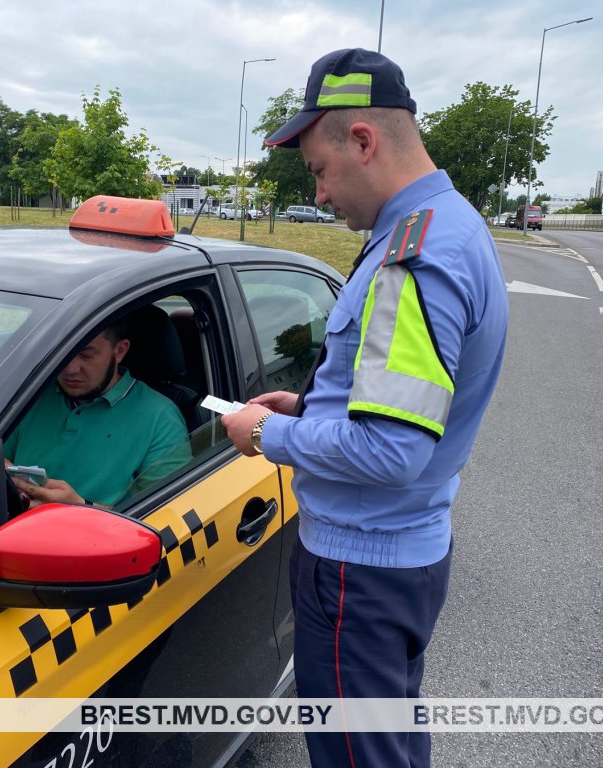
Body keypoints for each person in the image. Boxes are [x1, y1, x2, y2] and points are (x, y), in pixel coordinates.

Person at [222, 48, 508, 767]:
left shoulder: (412, 262)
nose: (317, 196)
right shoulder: (451, 226)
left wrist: (269, 433)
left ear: (363, 141)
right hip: (395, 559)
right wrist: (311, 403)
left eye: (318, 171)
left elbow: (390, 450)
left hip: (361, 570)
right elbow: (388, 404)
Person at [5, 318, 190, 509]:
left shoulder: (160, 418)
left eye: (86, 355)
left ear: (119, 351)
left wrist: (78, 507)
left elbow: (166, 514)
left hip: (97, 536)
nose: (70, 369)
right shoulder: (33, 394)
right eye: (63, 354)